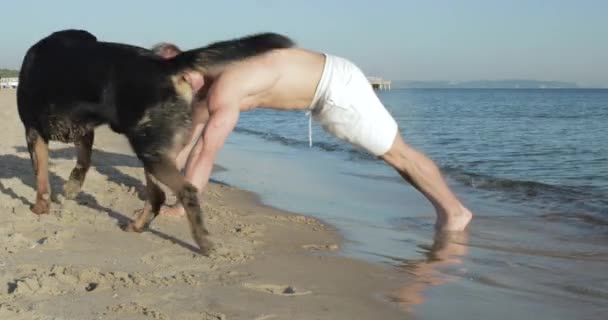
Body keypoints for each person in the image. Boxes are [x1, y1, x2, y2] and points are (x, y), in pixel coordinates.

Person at [151, 43, 472, 231]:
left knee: (398, 155)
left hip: (338, 89)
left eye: (180, 76)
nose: (178, 86)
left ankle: (454, 212)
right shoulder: (208, 82)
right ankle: (449, 210)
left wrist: (183, 209)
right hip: (323, 93)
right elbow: (188, 139)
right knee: (394, 157)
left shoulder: (228, 84)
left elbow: (206, 150)